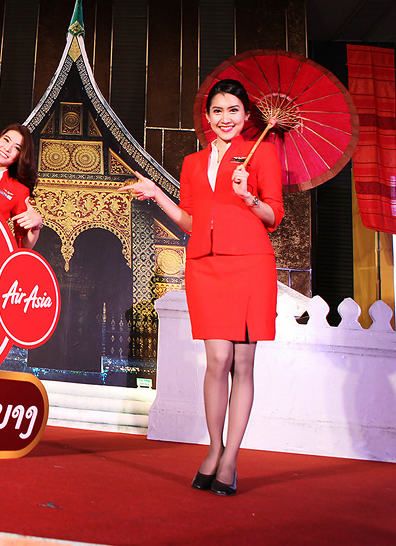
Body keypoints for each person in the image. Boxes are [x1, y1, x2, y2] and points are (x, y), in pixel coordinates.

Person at [119, 79, 283, 497]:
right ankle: (214, 449)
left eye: (233, 110)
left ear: (246, 116)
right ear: (207, 116)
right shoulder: (193, 162)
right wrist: (157, 194)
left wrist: (248, 197)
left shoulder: (262, 152)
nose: (225, 118)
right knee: (217, 360)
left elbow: (274, 216)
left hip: (249, 263)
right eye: (217, 110)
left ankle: (230, 460)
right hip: (205, 265)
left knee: (242, 363)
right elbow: (190, 221)